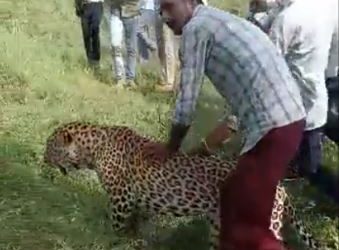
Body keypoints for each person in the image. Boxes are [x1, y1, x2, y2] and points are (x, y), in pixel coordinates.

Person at [142, 1, 306, 249]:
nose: (164, 15)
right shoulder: (218, 20)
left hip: (275, 127)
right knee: (233, 195)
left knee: (247, 225)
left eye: (169, 6)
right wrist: (208, 145)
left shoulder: (196, 28)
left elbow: (187, 101)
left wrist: (170, 148)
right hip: (284, 120)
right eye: (160, 9)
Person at [248, 0, 339, 203]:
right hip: (317, 99)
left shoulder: (287, 19)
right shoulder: (322, 6)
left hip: (298, 108)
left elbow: (267, 66)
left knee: (309, 168)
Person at [108, 0, 139, 88]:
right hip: (116, 11)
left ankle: (130, 78)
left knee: (132, 48)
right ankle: (120, 78)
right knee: (115, 46)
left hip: (132, 12)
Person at [75, 0, 104, 68]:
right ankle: (90, 59)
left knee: (95, 30)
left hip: (97, 4)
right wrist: (77, 5)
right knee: (86, 33)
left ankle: (96, 60)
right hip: (84, 5)